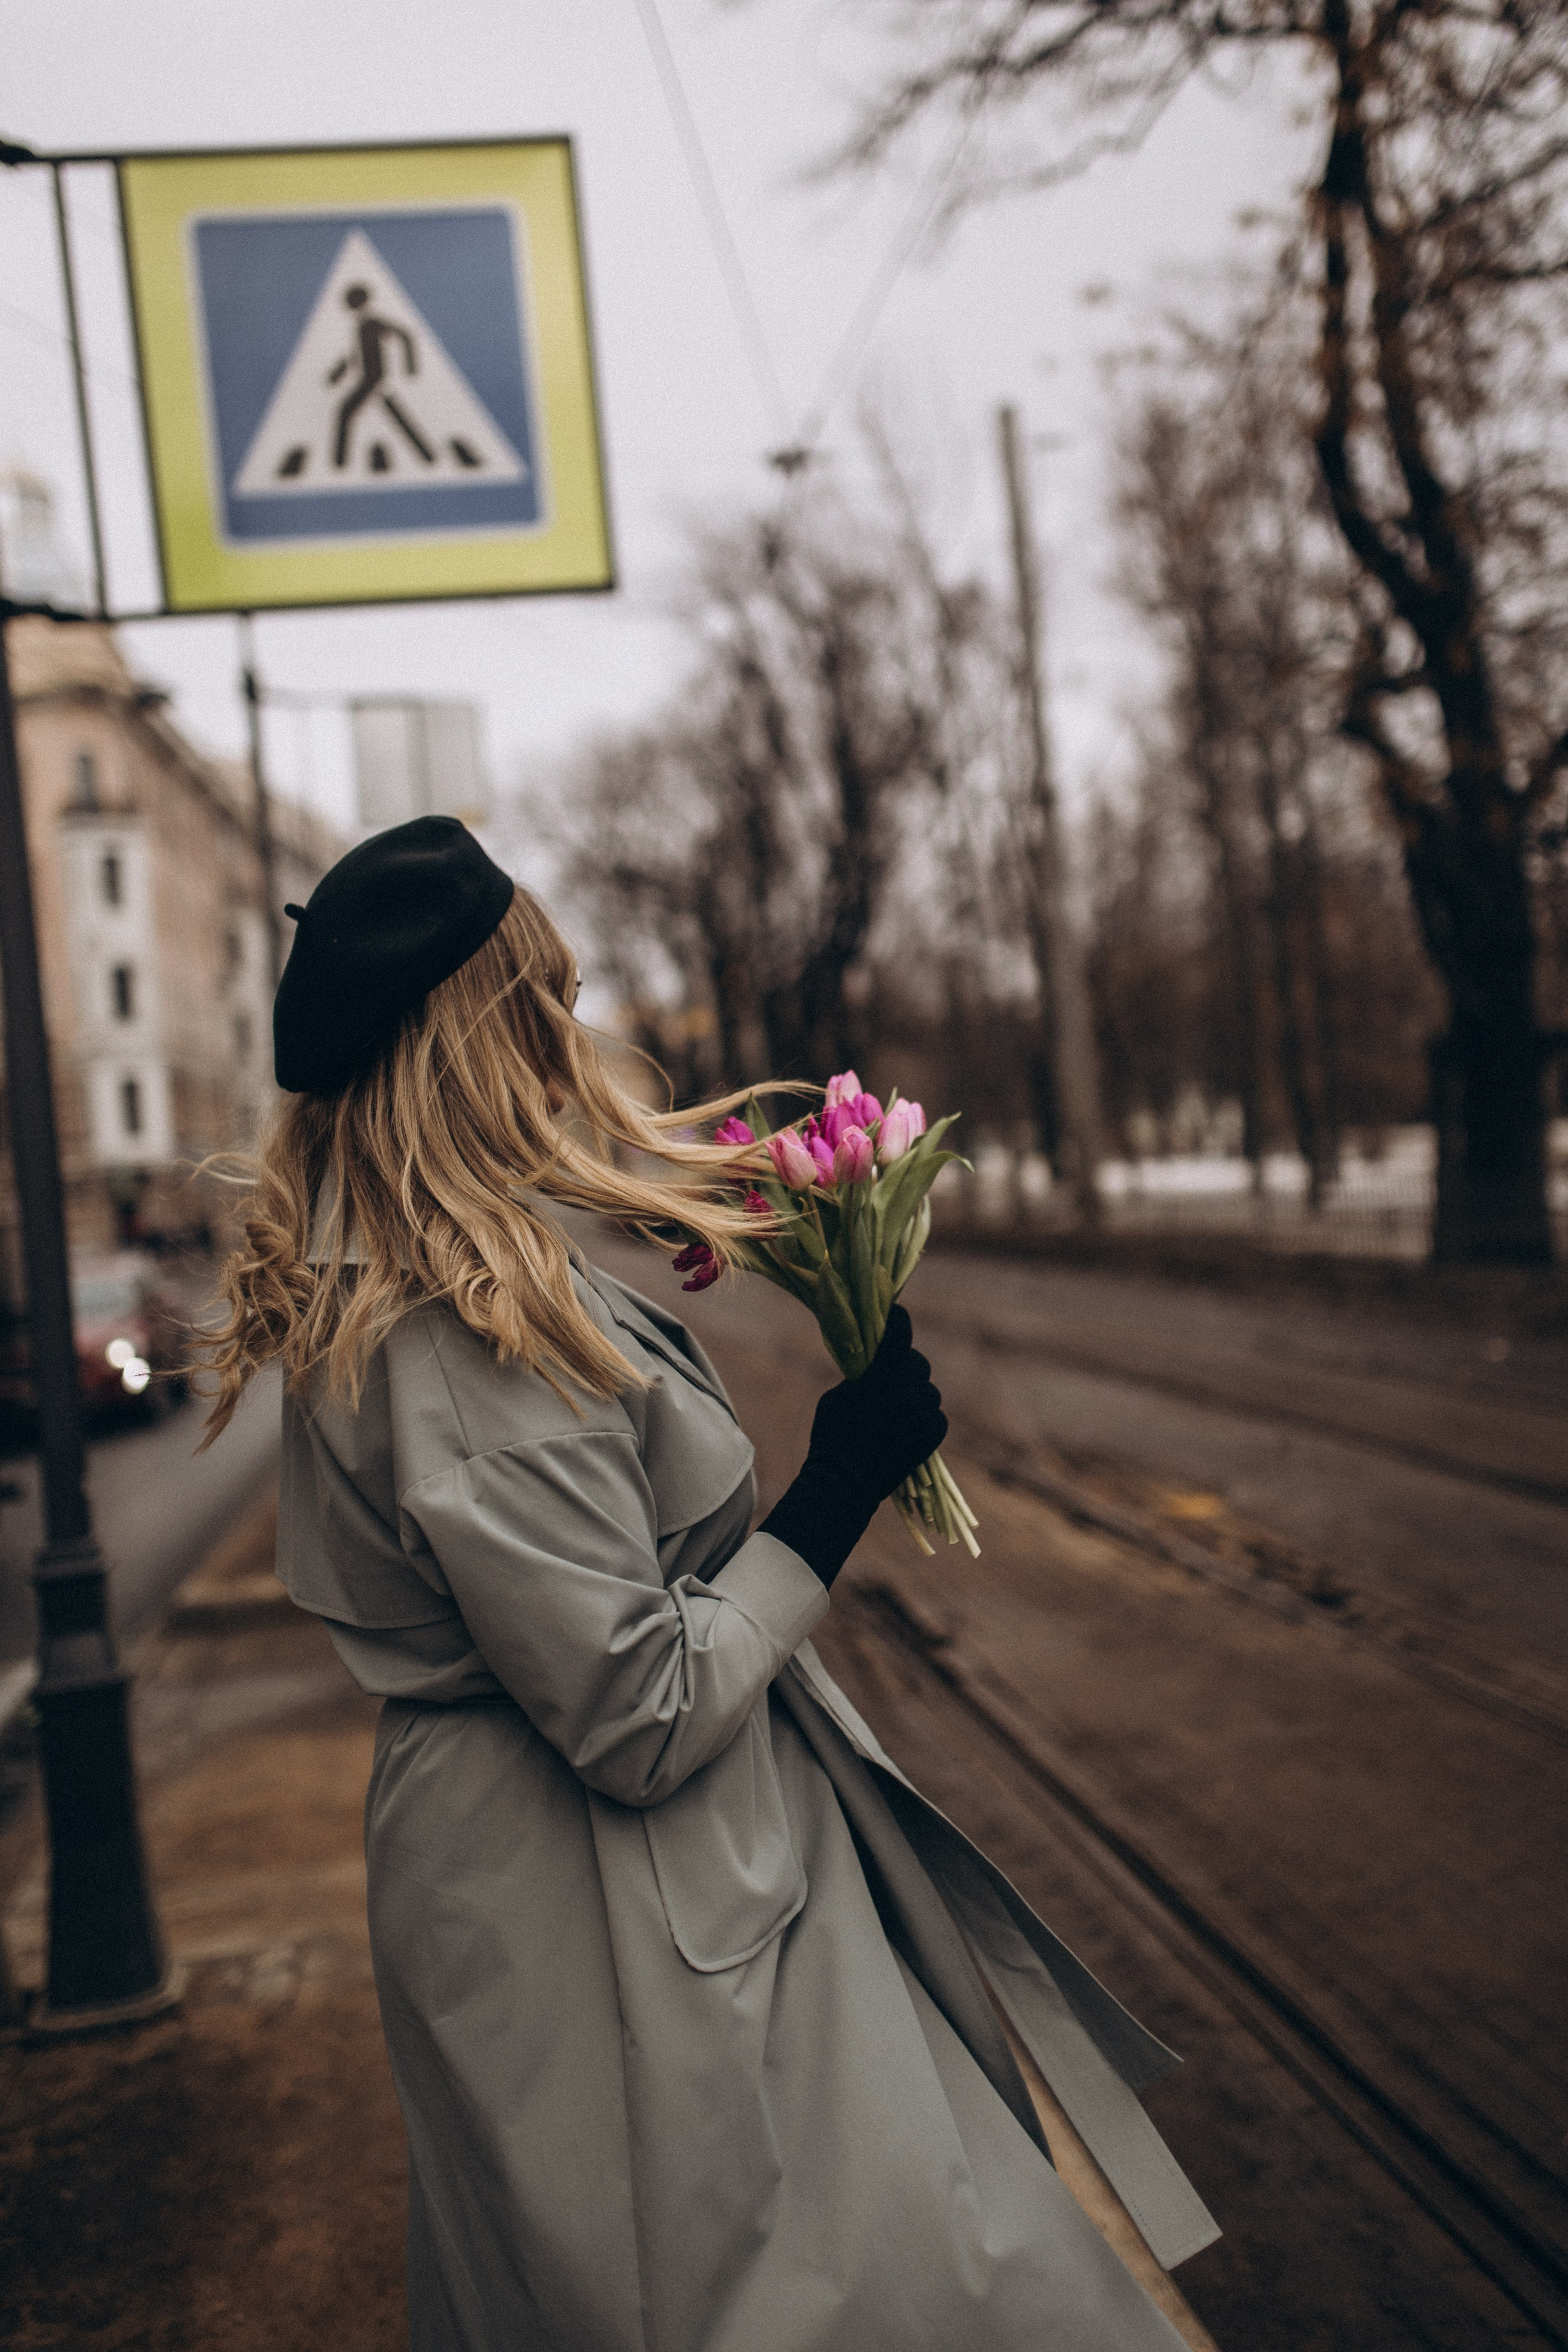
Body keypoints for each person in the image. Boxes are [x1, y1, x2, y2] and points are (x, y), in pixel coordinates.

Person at [203, 816, 1218, 2352]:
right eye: (540, 998)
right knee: (838, 2291)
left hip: (610, 1897)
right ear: (481, 1042)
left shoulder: (446, 1284)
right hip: (614, 1920)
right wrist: (829, 1494)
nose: (570, 1035)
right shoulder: (457, 1335)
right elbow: (635, 1709)